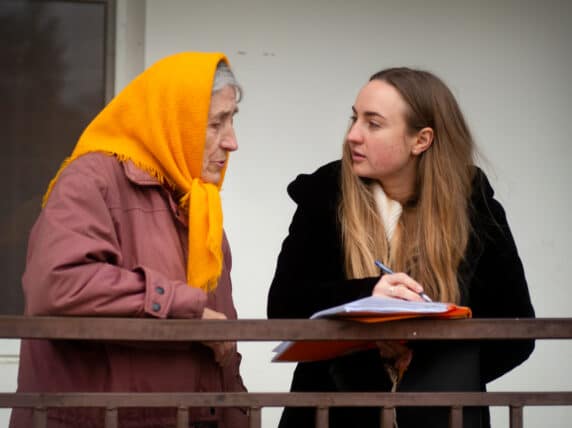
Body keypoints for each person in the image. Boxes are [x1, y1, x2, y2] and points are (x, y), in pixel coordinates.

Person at [267, 67, 535, 428]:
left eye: (373, 124)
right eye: (354, 118)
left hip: (441, 419)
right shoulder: (324, 197)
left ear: (421, 140)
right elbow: (283, 308)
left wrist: (426, 361)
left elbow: (516, 332)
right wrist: (367, 295)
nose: (352, 136)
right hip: (334, 416)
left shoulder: (474, 207)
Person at [10, 52, 248, 428]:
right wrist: (186, 308)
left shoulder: (198, 205)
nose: (232, 142)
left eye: (232, 121)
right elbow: (57, 285)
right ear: (173, 121)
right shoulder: (92, 180)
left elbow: (218, 348)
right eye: (216, 124)